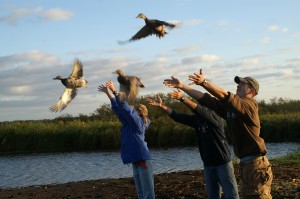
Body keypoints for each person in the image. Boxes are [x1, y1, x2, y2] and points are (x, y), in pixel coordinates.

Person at [163, 69, 273, 199]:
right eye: (238, 84)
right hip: (246, 164)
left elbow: (224, 95)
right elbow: (207, 100)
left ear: (252, 91)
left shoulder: (250, 105)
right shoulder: (231, 108)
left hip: (256, 165)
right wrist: (183, 87)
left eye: (242, 84)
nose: (238, 86)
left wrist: (204, 82)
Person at [146, 90, 239, 199]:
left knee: (231, 195)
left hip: (223, 164)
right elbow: (177, 116)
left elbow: (200, 110)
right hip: (208, 164)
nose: (200, 106)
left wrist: (182, 98)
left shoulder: (216, 117)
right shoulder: (197, 120)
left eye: (203, 104)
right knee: (213, 196)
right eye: (200, 103)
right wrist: (162, 106)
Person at [98, 80, 155, 199]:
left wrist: (114, 90)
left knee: (148, 194)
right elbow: (118, 109)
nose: (131, 110)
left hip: (143, 160)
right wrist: (108, 93)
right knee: (141, 194)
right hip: (136, 160)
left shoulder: (138, 122)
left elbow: (126, 109)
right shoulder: (129, 123)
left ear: (139, 113)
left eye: (134, 110)